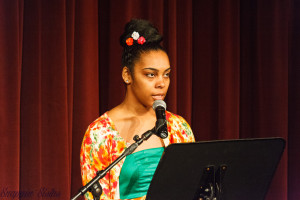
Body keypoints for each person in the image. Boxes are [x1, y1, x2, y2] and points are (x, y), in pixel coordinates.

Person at [80, 19, 195, 200]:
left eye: (166, 74)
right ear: (127, 75)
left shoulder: (178, 127)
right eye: (151, 74)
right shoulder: (100, 134)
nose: (161, 83)